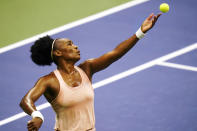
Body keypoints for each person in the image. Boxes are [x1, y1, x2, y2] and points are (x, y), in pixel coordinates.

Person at [19, 13, 161, 131]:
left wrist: (140, 32)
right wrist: (37, 115)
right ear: (58, 52)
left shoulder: (87, 69)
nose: (75, 46)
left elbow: (116, 53)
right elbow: (26, 100)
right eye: (69, 44)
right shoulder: (49, 81)